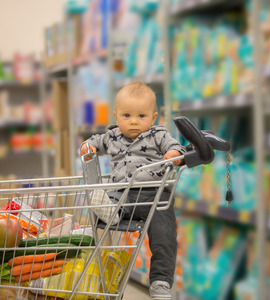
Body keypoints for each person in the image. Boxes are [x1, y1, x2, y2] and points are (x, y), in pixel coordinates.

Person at [80, 82, 185, 299]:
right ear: (116, 116)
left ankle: (160, 282)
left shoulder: (158, 135)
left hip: (156, 196)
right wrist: (86, 147)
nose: (134, 121)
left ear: (154, 117)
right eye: (127, 115)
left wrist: (174, 154)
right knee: (111, 198)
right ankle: (112, 212)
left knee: (164, 236)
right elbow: (92, 143)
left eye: (141, 116)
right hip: (124, 193)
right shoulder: (111, 136)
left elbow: (176, 147)